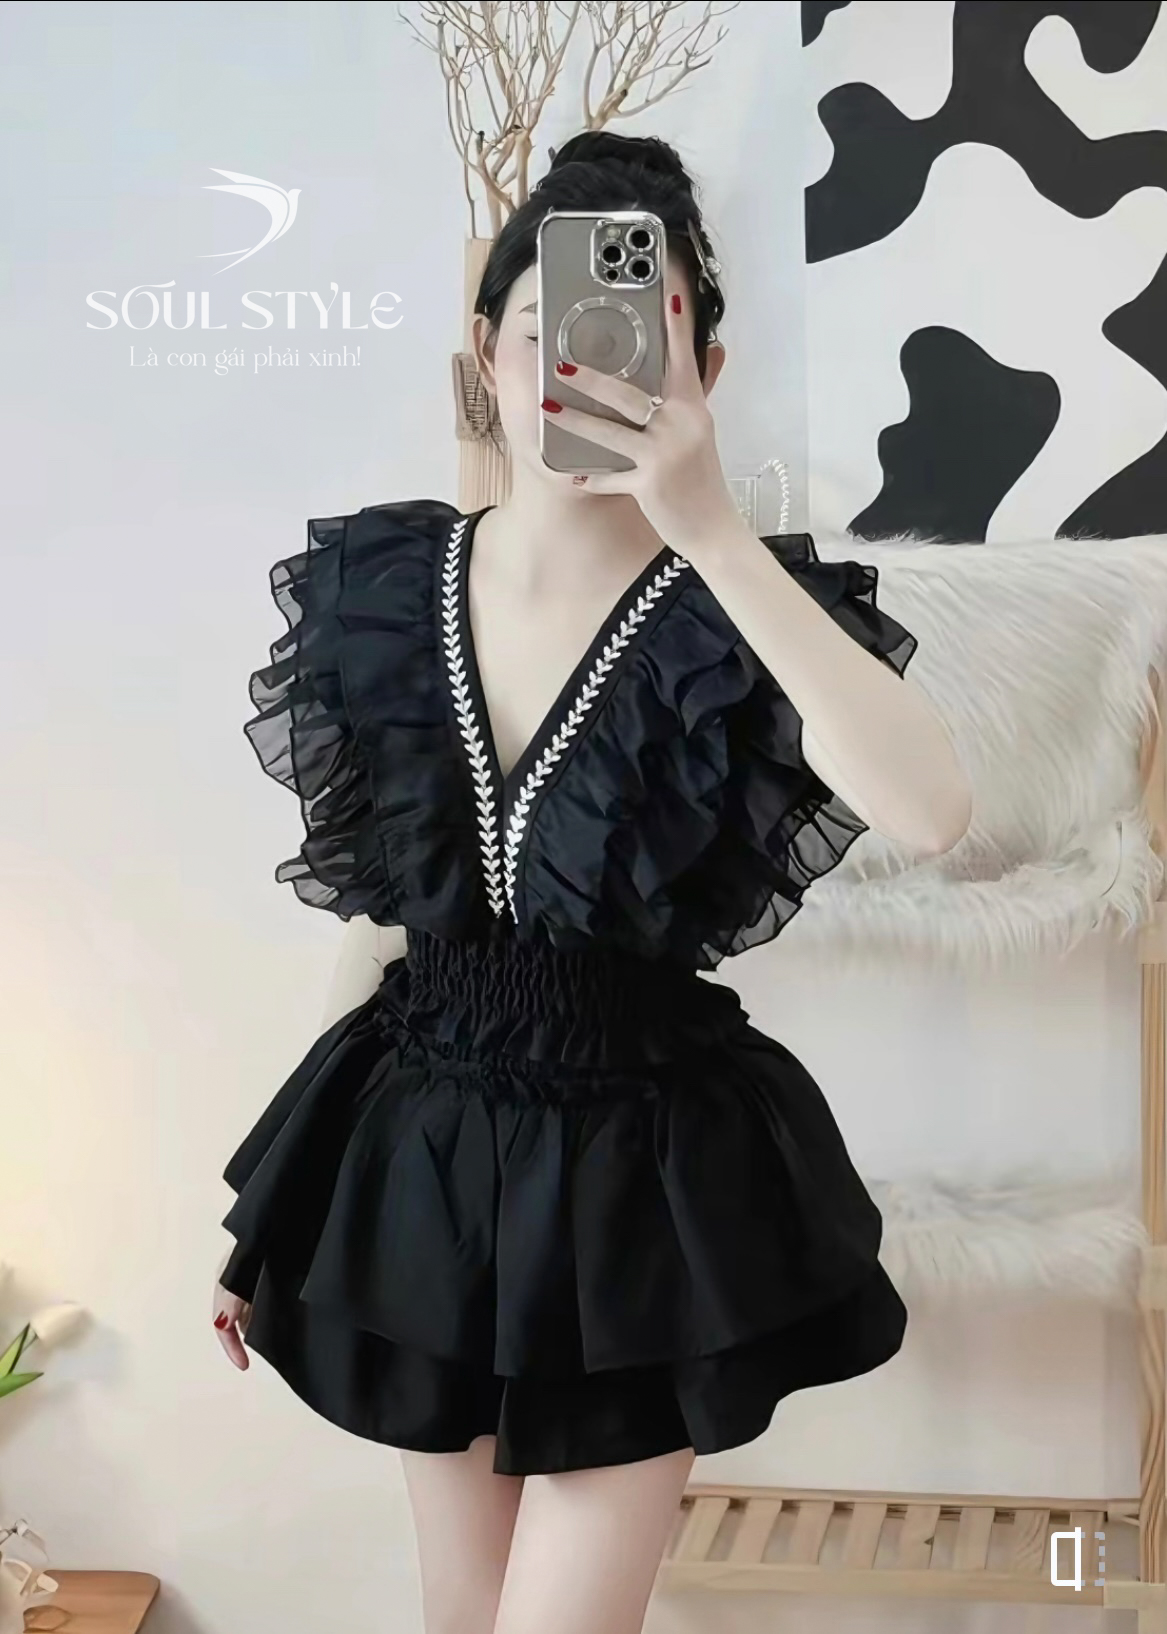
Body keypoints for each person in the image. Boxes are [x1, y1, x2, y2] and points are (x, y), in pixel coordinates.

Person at [212, 131, 971, 1634]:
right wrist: (274, 1214)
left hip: (639, 1179)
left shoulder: (733, 605)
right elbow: (387, 924)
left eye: (640, 333)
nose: (582, 365)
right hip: (425, 1157)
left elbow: (932, 808)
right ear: (484, 354)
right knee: (458, 1614)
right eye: (543, 331)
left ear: (707, 367)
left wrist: (711, 527)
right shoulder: (387, 592)